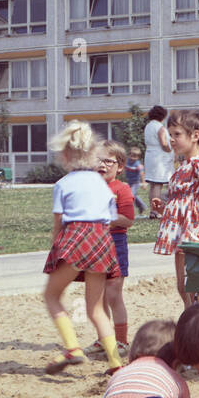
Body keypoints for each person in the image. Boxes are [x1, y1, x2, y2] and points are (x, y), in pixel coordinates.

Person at [42, 121, 122, 374]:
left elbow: (58, 222)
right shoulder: (102, 185)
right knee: (96, 309)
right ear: (93, 154)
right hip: (101, 241)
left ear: (65, 155)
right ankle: (115, 362)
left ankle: (72, 347)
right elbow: (109, 218)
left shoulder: (63, 184)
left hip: (75, 237)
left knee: (52, 296)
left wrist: (56, 249)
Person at [151, 109, 199, 307]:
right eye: (170, 134)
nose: (172, 140)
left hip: (191, 228)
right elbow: (181, 203)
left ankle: (193, 315)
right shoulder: (182, 167)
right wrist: (163, 209)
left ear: (195, 136)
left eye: (177, 134)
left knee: (190, 281)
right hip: (179, 229)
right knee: (182, 284)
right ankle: (189, 313)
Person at [93, 140, 134, 353]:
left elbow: (128, 219)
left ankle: (121, 341)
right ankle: (103, 338)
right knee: (97, 295)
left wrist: (105, 217)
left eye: (108, 161)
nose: (102, 165)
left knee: (113, 293)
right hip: (93, 243)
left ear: (120, 167)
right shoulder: (89, 187)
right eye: (98, 160)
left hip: (115, 243)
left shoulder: (122, 188)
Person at [142, 105, 171, 218]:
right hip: (159, 157)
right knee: (158, 185)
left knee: (153, 185)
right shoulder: (160, 127)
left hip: (149, 156)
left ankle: (152, 211)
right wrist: (170, 149)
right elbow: (164, 144)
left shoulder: (148, 126)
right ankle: (157, 211)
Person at [125, 146, 147, 214]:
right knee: (133, 195)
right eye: (132, 156)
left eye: (135, 157)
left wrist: (143, 183)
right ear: (129, 155)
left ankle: (128, 211)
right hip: (129, 181)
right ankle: (141, 205)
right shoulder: (127, 161)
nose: (133, 158)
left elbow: (142, 174)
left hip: (135, 182)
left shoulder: (137, 164)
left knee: (130, 195)